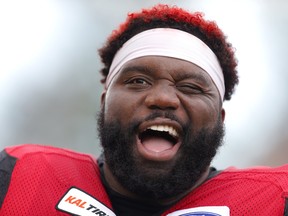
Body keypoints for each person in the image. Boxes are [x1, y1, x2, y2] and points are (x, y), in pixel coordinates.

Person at [0, 4, 287, 216]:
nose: (162, 98)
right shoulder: (16, 175)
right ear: (104, 103)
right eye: (138, 81)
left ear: (219, 119)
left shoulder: (275, 201)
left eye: (190, 87)